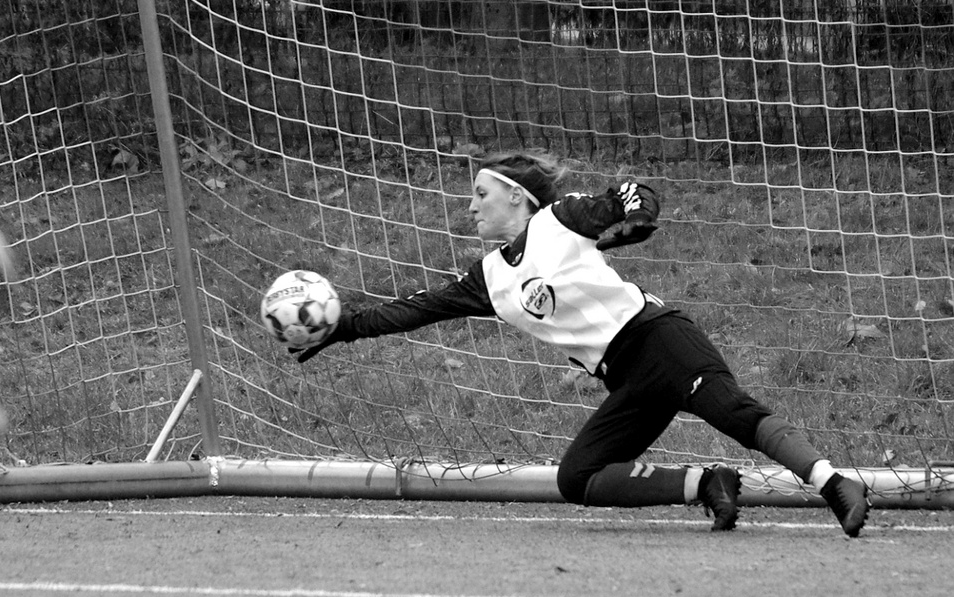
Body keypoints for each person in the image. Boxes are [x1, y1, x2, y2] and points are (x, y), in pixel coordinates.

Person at [293, 150, 870, 537]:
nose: (470, 206)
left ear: (517, 198)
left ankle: (833, 484)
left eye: (480, 194)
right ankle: (706, 483)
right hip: (625, 374)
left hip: (660, 339)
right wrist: (340, 328)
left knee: (734, 413)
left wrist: (638, 206)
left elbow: (631, 195)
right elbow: (413, 311)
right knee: (580, 478)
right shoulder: (488, 278)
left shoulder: (559, 220)